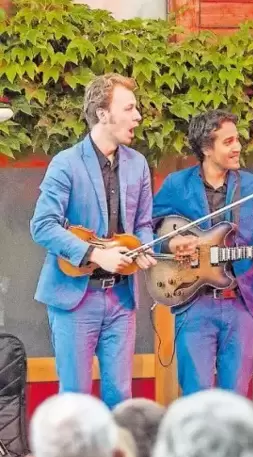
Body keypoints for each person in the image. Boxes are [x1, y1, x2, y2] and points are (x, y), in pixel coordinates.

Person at [30, 73, 156, 409]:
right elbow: (42, 226)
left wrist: (145, 248)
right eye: (128, 108)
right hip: (75, 298)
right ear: (103, 114)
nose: (137, 116)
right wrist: (95, 254)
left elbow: (143, 223)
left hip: (120, 298)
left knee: (121, 397)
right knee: (75, 399)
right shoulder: (66, 164)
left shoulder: (138, 164)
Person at [151, 109, 253, 396]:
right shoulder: (177, 185)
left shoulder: (252, 187)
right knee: (196, 395)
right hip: (194, 303)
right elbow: (148, 232)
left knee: (235, 396)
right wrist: (171, 244)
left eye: (237, 139)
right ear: (205, 148)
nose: (237, 147)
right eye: (228, 142)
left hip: (240, 303)